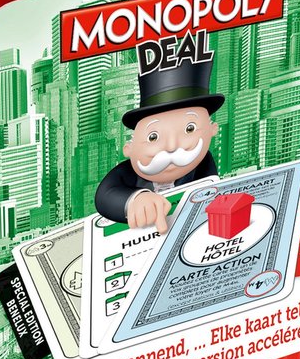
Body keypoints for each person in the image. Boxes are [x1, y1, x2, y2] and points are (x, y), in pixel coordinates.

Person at [95, 51, 224, 233]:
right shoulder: (126, 173)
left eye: (189, 129)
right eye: (153, 137)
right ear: (128, 149)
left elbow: (209, 194)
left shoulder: (204, 164)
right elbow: (105, 196)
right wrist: (136, 200)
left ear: (213, 130)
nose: (171, 147)